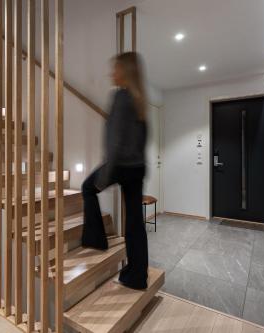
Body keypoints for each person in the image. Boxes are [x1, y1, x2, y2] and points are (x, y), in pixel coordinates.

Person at [81, 52, 148, 290]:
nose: (112, 73)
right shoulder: (139, 99)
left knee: (87, 187)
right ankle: (137, 275)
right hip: (137, 167)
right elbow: (141, 139)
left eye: (115, 68)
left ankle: (95, 240)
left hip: (120, 165)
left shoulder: (121, 96)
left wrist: (106, 176)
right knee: (134, 223)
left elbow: (115, 142)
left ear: (125, 71)